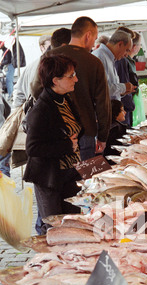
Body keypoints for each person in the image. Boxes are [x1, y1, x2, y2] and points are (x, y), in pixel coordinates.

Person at [31, 16, 111, 160]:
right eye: (95, 38)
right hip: (85, 130)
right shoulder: (94, 62)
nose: (94, 44)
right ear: (88, 36)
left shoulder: (49, 55)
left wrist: (52, 109)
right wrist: (103, 136)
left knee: (59, 176)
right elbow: (102, 103)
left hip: (54, 130)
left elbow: (35, 89)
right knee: (85, 179)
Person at [23, 54, 83, 234]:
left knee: (72, 226)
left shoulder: (65, 99)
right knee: (55, 229)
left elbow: (74, 128)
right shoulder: (41, 109)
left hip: (70, 173)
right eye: (71, 76)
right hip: (49, 178)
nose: (76, 79)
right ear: (55, 80)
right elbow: (33, 148)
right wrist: (67, 146)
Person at [93, 30, 137, 101]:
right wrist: (124, 87)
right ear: (120, 44)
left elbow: (109, 89)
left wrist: (122, 92)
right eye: (126, 50)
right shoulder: (100, 56)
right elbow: (100, 89)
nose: (126, 55)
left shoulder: (110, 58)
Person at [12, 35, 52, 109]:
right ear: (42, 47)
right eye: (50, 46)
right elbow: (19, 92)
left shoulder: (32, 66)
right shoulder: (34, 66)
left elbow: (18, 93)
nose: (52, 49)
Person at [115, 29, 141, 127]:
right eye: (127, 49)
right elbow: (123, 83)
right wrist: (130, 106)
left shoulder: (120, 60)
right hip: (121, 109)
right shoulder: (121, 61)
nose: (126, 53)